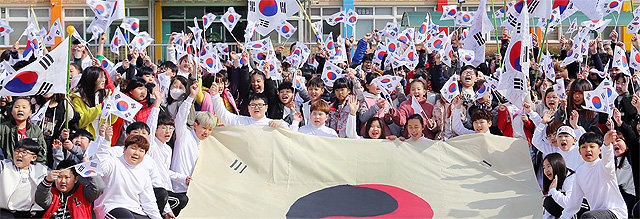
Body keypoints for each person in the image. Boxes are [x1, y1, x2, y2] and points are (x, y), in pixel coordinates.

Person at [94, 125, 161, 219]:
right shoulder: (113, 162)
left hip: (135, 210)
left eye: (141, 151)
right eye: (133, 148)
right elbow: (99, 164)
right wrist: (106, 140)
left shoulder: (144, 174)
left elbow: (149, 202)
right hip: (111, 207)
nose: (136, 153)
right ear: (124, 149)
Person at [560, 131, 628, 219]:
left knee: (588, 216)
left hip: (615, 212)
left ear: (600, 150)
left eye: (592, 146)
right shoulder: (580, 172)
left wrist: (607, 144)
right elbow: (574, 202)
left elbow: (608, 159)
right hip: (595, 214)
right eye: (584, 147)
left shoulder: (604, 166)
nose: (588, 150)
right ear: (579, 151)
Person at [35, 159, 105, 219]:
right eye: (59, 177)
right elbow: (40, 199)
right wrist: (47, 181)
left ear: (76, 179)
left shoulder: (83, 192)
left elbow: (99, 187)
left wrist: (88, 168)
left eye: (67, 177)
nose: (63, 181)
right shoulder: (53, 194)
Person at [0, 139, 49, 218]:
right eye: (17, 151)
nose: (19, 155)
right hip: (6, 213)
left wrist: (58, 151)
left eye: (24, 152)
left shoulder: (41, 169)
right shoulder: (4, 166)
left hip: (29, 214)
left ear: (34, 157)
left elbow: (59, 172)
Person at [0, 97, 48, 163]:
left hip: (30, 169)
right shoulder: (3, 128)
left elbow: (41, 153)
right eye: (17, 107)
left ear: (30, 112)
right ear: (11, 111)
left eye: (24, 107)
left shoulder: (36, 130)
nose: (20, 110)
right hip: (8, 168)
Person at [542, 153, 576, 219]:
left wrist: (553, 192)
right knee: (549, 200)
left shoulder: (571, 179)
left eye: (548, 166)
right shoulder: (555, 181)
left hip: (582, 210)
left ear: (557, 165)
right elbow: (547, 214)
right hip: (567, 213)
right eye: (544, 168)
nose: (546, 170)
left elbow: (570, 204)